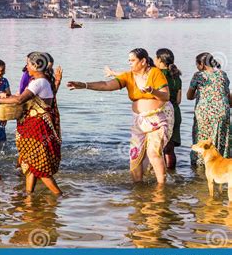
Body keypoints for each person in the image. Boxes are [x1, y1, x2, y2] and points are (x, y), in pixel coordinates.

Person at [68, 48, 173, 185]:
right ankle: (138, 187)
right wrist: (85, 85)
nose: (130, 63)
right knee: (135, 155)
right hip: (139, 120)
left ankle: (161, 188)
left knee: (153, 153)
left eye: (133, 60)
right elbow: (106, 85)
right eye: (129, 60)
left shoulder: (155, 73)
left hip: (157, 119)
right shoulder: (128, 76)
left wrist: (152, 91)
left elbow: (166, 96)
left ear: (143, 61)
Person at [0, 52, 62, 195]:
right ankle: (28, 197)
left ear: (36, 65)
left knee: (40, 169)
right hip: (33, 128)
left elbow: (20, 100)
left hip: (37, 129)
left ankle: (59, 195)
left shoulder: (39, 82)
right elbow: (20, 97)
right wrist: (4, 96)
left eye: (28, 64)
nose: (26, 67)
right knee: (30, 165)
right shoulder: (39, 81)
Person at [187, 52, 230, 167]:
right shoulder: (223, 74)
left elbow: (189, 96)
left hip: (205, 112)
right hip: (223, 111)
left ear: (201, 64)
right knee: (221, 137)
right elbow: (226, 94)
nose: (197, 67)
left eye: (197, 64)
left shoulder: (198, 75)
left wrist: (200, 95)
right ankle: (222, 164)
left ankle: (200, 166)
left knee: (202, 139)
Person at [154, 49, 182, 169]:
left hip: (162, 112)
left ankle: (160, 176)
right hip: (175, 113)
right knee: (170, 150)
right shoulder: (177, 77)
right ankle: (172, 174)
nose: (154, 60)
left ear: (160, 60)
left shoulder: (157, 74)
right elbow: (179, 100)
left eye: (156, 58)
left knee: (156, 149)